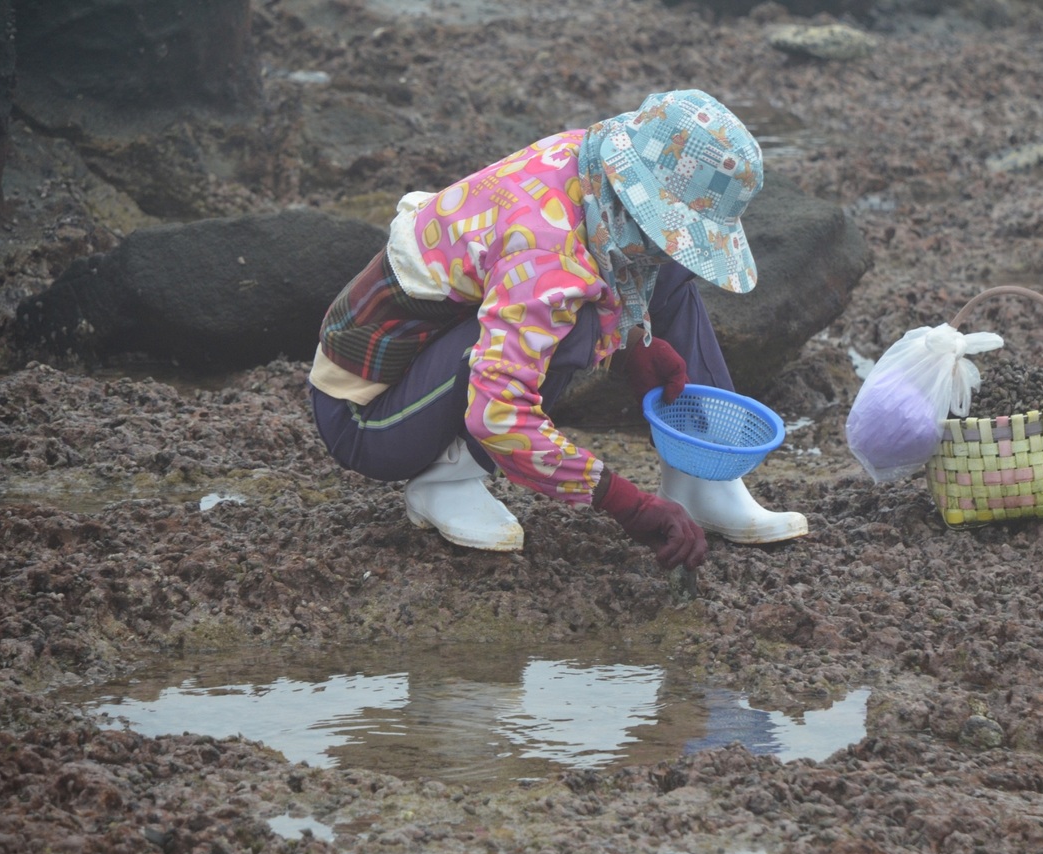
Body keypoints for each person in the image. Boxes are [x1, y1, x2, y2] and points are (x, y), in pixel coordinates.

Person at [308, 89, 807, 571]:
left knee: (670, 268)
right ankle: (447, 478)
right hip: (369, 415)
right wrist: (623, 501)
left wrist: (635, 344)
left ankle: (701, 476)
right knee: (575, 326)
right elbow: (499, 413)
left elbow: (614, 262)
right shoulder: (546, 255)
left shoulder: (592, 162)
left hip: (452, 335)